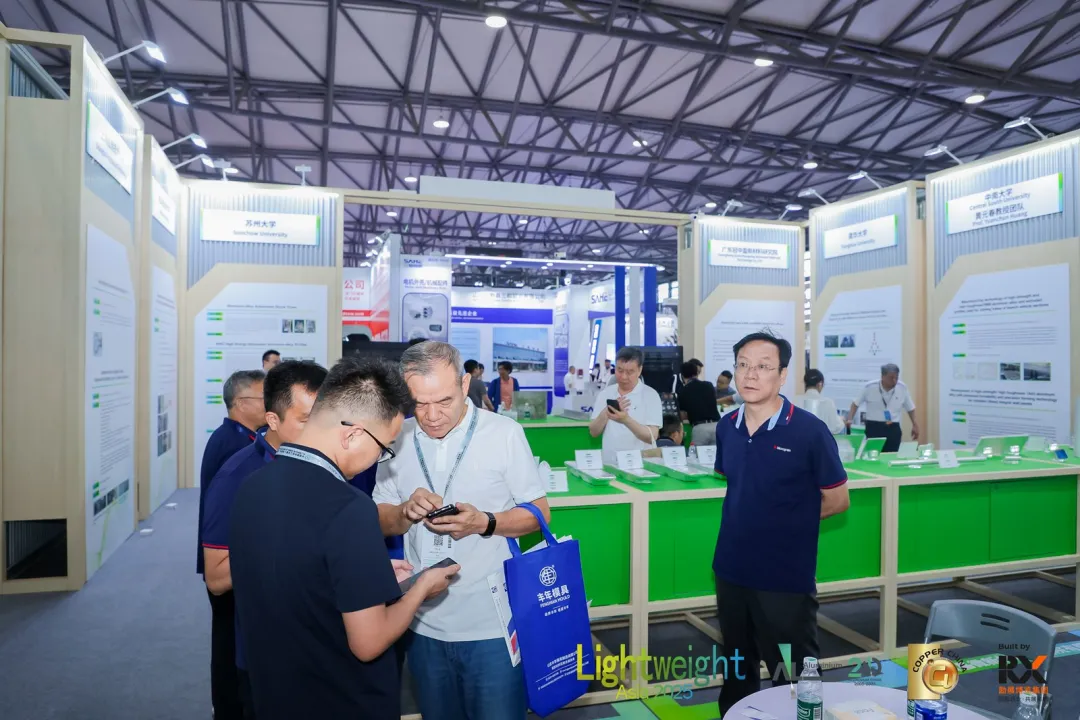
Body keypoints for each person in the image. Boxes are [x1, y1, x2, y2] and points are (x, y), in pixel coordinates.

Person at [229, 357, 459, 720]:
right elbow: (368, 642)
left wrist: (368, 574)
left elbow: (291, 574)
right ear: (352, 435)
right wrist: (420, 588)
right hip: (341, 698)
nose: (379, 458)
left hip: (274, 693)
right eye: (384, 447)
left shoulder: (252, 485)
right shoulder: (350, 508)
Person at [373, 341, 549, 720]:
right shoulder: (396, 437)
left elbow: (538, 515)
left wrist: (485, 522)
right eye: (419, 403)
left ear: (465, 384)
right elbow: (380, 517)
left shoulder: (503, 433)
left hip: (492, 623)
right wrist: (404, 512)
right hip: (421, 620)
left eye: (444, 401)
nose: (432, 415)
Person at [712, 332, 850, 717]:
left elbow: (838, 500)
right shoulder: (727, 427)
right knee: (737, 670)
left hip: (784, 576)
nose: (750, 374)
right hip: (731, 570)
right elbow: (740, 485)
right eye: (743, 365)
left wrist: (785, 521)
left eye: (763, 366)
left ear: (783, 374)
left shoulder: (809, 431)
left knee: (792, 676)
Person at [202, 361, 327, 719]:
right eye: (306, 420)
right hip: (268, 652)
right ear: (273, 420)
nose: (320, 431)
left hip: (315, 642)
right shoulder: (237, 476)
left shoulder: (318, 463)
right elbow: (216, 577)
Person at [195, 369, 265, 718]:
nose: (270, 405)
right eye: (263, 398)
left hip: (227, 558)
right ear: (240, 403)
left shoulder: (238, 438)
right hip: (226, 562)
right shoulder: (236, 447)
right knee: (228, 643)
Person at [589, 346, 663, 465]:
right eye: (620, 370)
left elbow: (652, 436)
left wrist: (625, 420)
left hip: (641, 465)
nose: (623, 376)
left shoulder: (650, 395)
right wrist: (606, 412)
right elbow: (593, 432)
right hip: (610, 463)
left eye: (630, 372)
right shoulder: (605, 393)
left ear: (639, 370)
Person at [845, 363, 919, 452]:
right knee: (873, 454)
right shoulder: (869, 387)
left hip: (893, 427)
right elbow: (855, 404)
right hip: (874, 427)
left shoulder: (902, 388)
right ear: (882, 376)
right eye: (891, 378)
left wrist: (915, 424)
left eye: (896, 378)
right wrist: (850, 419)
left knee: (892, 455)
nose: (894, 381)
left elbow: (910, 408)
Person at [677, 360, 720, 446]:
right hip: (717, 426)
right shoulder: (709, 385)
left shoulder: (683, 391)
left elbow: (683, 415)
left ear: (682, 375)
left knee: (698, 454)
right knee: (717, 453)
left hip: (699, 428)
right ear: (696, 372)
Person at [795, 368, 846, 435]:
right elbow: (835, 427)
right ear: (820, 384)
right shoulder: (828, 402)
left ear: (805, 383)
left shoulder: (795, 400)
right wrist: (841, 420)